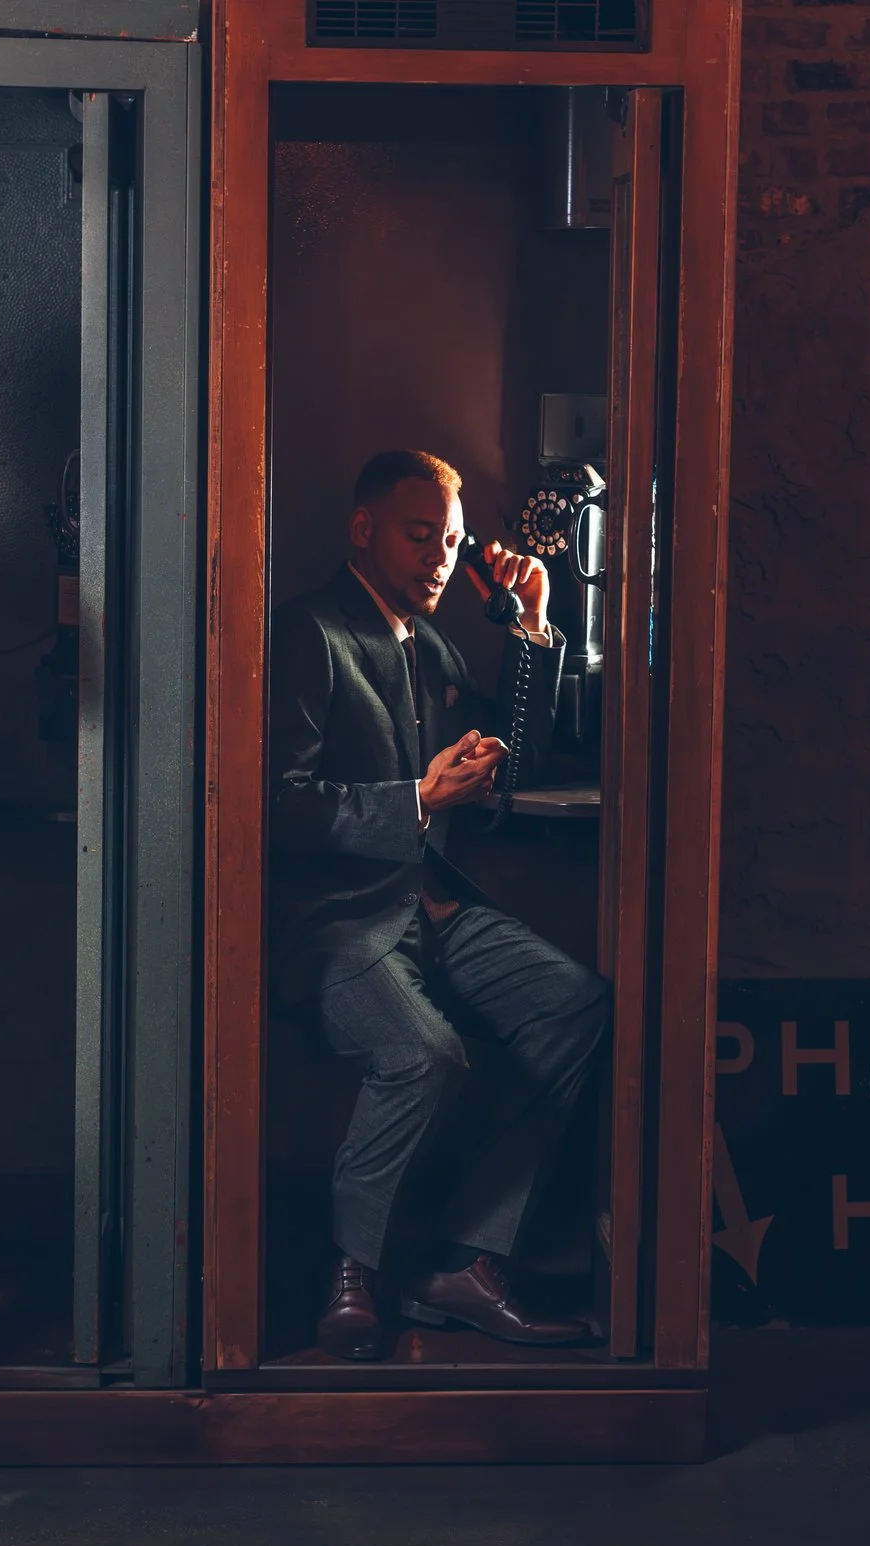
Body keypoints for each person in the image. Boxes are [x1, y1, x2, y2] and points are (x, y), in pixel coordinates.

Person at [267, 449, 612, 1363]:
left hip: (436, 910)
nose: (437, 556)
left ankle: (469, 1259)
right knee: (426, 1056)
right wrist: (416, 799)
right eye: (421, 534)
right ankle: (354, 1270)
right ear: (363, 528)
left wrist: (535, 628)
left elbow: (521, 758)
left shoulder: (436, 646)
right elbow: (277, 801)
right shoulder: (309, 631)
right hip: (337, 920)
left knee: (577, 1003)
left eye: (451, 543)